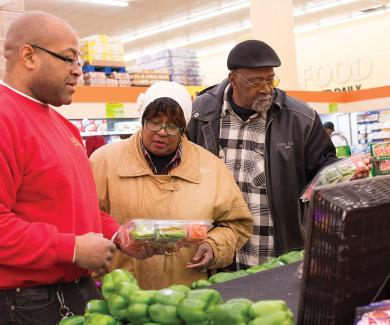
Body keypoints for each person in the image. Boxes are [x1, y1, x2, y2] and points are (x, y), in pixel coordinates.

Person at [0, 11, 144, 325]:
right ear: (29, 56)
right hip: (25, 303)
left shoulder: (64, 126)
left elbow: (78, 212)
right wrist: (72, 249)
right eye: (70, 59)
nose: (78, 71)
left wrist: (118, 234)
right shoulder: (4, 118)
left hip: (75, 293)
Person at [187, 39, 371, 269]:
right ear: (233, 79)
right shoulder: (201, 113)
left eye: (270, 79)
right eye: (255, 82)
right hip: (217, 253)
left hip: (276, 254)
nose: (265, 88)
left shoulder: (300, 118)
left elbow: (322, 168)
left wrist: (346, 172)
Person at [89, 81, 253, 289]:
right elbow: (84, 218)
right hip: (121, 293)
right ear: (142, 120)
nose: (162, 132)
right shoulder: (104, 161)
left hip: (187, 296)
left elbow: (237, 224)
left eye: (173, 126)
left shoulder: (211, 168)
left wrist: (213, 246)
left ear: (184, 127)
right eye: (154, 122)